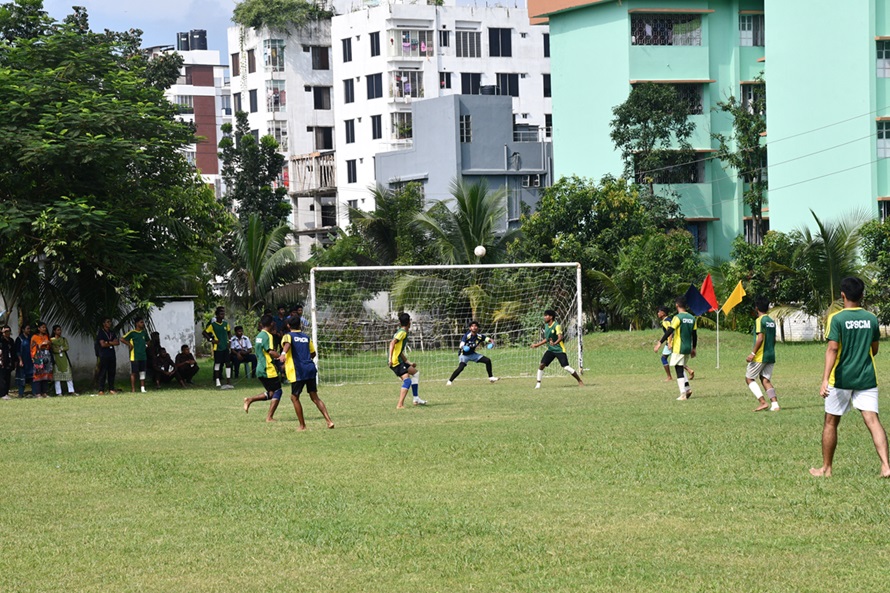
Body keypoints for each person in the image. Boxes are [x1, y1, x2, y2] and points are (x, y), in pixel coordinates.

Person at [810, 277, 890, 479]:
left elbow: (832, 349)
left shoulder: (836, 319)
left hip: (841, 379)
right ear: (862, 295)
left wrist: (824, 379)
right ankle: (886, 466)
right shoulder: (871, 319)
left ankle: (826, 469)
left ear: (842, 295)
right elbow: (874, 349)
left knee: (830, 422)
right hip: (866, 378)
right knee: (873, 421)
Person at [279, 318, 334, 430]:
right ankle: (329, 421)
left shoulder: (288, 335)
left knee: (294, 397)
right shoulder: (306, 337)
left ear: (288, 326)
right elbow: (313, 353)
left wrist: (283, 354)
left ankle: (302, 426)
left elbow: (287, 343)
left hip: (298, 371)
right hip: (310, 368)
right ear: (300, 325)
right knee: (315, 397)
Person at [654, 297, 697, 401]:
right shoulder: (692, 318)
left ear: (677, 305)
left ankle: (683, 394)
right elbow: (694, 334)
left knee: (678, 369)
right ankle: (687, 389)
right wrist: (694, 348)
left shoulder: (677, 318)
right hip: (687, 347)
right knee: (681, 367)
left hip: (679, 347)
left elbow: (670, 330)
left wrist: (660, 342)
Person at [530, 309, 584, 389]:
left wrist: (555, 343)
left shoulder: (556, 326)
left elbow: (560, 337)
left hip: (559, 350)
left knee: (566, 367)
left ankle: (579, 380)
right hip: (551, 350)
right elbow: (547, 339)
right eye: (544, 315)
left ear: (551, 317)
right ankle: (538, 384)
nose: (544, 317)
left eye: (546, 315)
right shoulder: (546, 326)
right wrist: (537, 345)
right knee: (542, 365)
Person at [243, 314, 283, 421]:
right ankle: (269, 417)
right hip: (268, 368)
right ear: (272, 324)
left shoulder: (259, 336)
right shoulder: (267, 336)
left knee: (271, 393)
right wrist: (281, 356)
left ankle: (249, 400)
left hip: (259, 368)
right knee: (278, 391)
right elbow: (270, 351)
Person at [745, 297, 780, 412]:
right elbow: (774, 339)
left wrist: (752, 353)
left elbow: (760, 338)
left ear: (756, 308)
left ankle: (762, 402)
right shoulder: (771, 321)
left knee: (749, 378)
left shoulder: (760, 320)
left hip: (760, 355)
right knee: (765, 379)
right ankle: (775, 404)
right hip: (771, 354)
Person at [389, 312, 425, 408]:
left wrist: (408, 362)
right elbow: (392, 343)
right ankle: (400, 405)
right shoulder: (402, 333)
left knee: (415, 373)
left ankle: (416, 398)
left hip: (399, 360)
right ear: (409, 322)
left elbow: (399, 351)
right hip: (395, 361)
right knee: (407, 381)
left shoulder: (402, 332)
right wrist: (390, 359)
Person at [446, 321, 498, 385]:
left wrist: (492, 343)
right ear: (470, 328)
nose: (474, 327)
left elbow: (490, 339)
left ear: (478, 328)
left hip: (472, 354)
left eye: (475, 326)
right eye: (472, 326)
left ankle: (491, 377)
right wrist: (464, 347)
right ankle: (449, 381)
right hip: (464, 355)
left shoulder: (480, 336)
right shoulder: (467, 336)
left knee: (487, 360)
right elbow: (461, 345)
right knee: (461, 368)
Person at [655, 306, 694, 383]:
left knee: (664, 358)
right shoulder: (670, 319)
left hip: (672, 343)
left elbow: (669, 332)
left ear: (663, 313)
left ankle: (669, 377)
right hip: (675, 342)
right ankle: (689, 370)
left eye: (659, 312)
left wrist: (669, 343)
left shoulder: (666, 321)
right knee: (677, 359)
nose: (658, 313)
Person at [203, 306, 233, 389]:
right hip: (217, 347)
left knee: (227, 363)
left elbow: (229, 333)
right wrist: (211, 340)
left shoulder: (226, 324)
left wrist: (229, 341)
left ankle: (228, 381)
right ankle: (217, 380)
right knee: (217, 364)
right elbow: (204, 332)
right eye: (221, 314)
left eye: (223, 314)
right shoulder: (213, 325)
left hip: (225, 347)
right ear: (217, 315)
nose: (223, 315)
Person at [122, 317, 150, 393]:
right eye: (141, 322)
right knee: (134, 372)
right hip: (134, 356)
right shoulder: (132, 333)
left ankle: (142, 388)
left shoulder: (144, 333)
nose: (143, 324)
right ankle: (133, 389)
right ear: (137, 323)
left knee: (142, 372)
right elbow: (122, 339)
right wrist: (129, 345)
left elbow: (148, 341)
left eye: (143, 322)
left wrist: (146, 345)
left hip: (143, 356)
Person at [51, 325, 77, 396]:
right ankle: (59, 392)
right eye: (58, 330)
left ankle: (71, 391)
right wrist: (60, 348)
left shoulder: (63, 339)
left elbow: (67, 347)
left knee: (68, 375)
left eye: (60, 330)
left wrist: (60, 349)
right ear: (54, 331)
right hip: (56, 359)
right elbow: (53, 349)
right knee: (57, 377)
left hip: (64, 359)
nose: (59, 331)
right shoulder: (51, 340)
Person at [96, 318, 120, 395]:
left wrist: (108, 342)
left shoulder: (112, 333)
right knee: (103, 372)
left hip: (112, 355)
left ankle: (111, 388)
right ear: (104, 324)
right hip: (104, 355)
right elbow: (102, 344)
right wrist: (111, 343)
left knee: (112, 372)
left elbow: (117, 342)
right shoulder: (101, 333)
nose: (109, 323)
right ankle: (101, 390)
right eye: (107, 322)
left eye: (110, 322)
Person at [30, 322, 53, 398]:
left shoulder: (46, 336)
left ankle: (44, 392)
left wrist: (47, 343)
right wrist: (44, 343)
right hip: (38, 357)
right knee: (38, 375)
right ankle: (38, 393)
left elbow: (49, 345)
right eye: (42, 327)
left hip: (46, 356)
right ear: (39, 328)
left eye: (45, 327)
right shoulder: (34, 337)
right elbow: (37, 346)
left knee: (45, 375)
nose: (44, 329)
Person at [15, 324, 33, 398]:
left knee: (32, 376)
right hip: (23, 360)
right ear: (23, 330)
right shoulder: (19, 339)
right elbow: (17, 351)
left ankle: (35, 392)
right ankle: (20, 393)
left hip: (30, 360)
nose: (29, 330)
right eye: (27, 328)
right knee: (22, 377)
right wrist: (20, 360)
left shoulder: (31, 338)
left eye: (29, 328)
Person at [0, 325, 15, 399]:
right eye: (5, 332)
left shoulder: (11, 341)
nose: (7, 333)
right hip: (2, 362)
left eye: (8, 331)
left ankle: (6, 393)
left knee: (8, 378)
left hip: (9, 361)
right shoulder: (1, 340)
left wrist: (15, 362)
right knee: (2, 378)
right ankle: (3, 394)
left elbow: (13, 351)